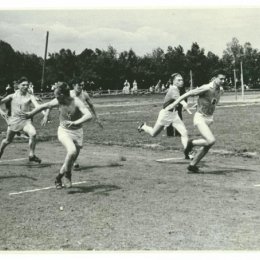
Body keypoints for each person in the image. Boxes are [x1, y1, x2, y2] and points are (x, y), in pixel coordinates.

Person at [20, 82, 93, 189]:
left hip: (77, 132)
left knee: (70, 160)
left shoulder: (76, 102)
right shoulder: (58, 100)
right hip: (64, 131)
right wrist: (30, 114)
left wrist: (75, 123)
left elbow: (89, 115)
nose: (55, 98)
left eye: (57, 95)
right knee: (71, 151)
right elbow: (43, 106)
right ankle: (68, 175)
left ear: (62, 95)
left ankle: (58, 178)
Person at [165, 70, 226, 173]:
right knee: (211, 140)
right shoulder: (206, 87)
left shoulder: (221, 90)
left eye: (224, 79)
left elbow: (210, 102)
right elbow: (189, 93)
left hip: (209, 118)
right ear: (215, 78)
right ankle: (191, 143)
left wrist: (199, 104)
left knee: (207, 145)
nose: (223, 81)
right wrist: (174, 103)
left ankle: (192, 165)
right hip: (200, 118)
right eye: (221, 79)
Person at [138, 73, 192, 159]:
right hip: (165, 114)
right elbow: (179, 99)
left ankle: (187, 153)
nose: (181, 82)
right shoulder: (173, 89)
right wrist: (185, 104)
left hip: (174, 114)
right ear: (173, 81)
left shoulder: (177, 89)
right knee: (153, 134)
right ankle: (143, 127)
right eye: (178, 80)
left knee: (184, 132)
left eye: (182, 80)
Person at [0, 77, 42, 162]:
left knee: (33, 133)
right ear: (19, 86)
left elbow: (37, 106)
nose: (25, 86)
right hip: (14, 122)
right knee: (7, 141)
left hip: (26, 121)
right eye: (23, 85)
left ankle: (31, 155)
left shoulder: (30, 96)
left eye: (27, 85)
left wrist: (35, 112)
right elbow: (1, 102)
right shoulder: (12, 96)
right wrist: (1, 111)